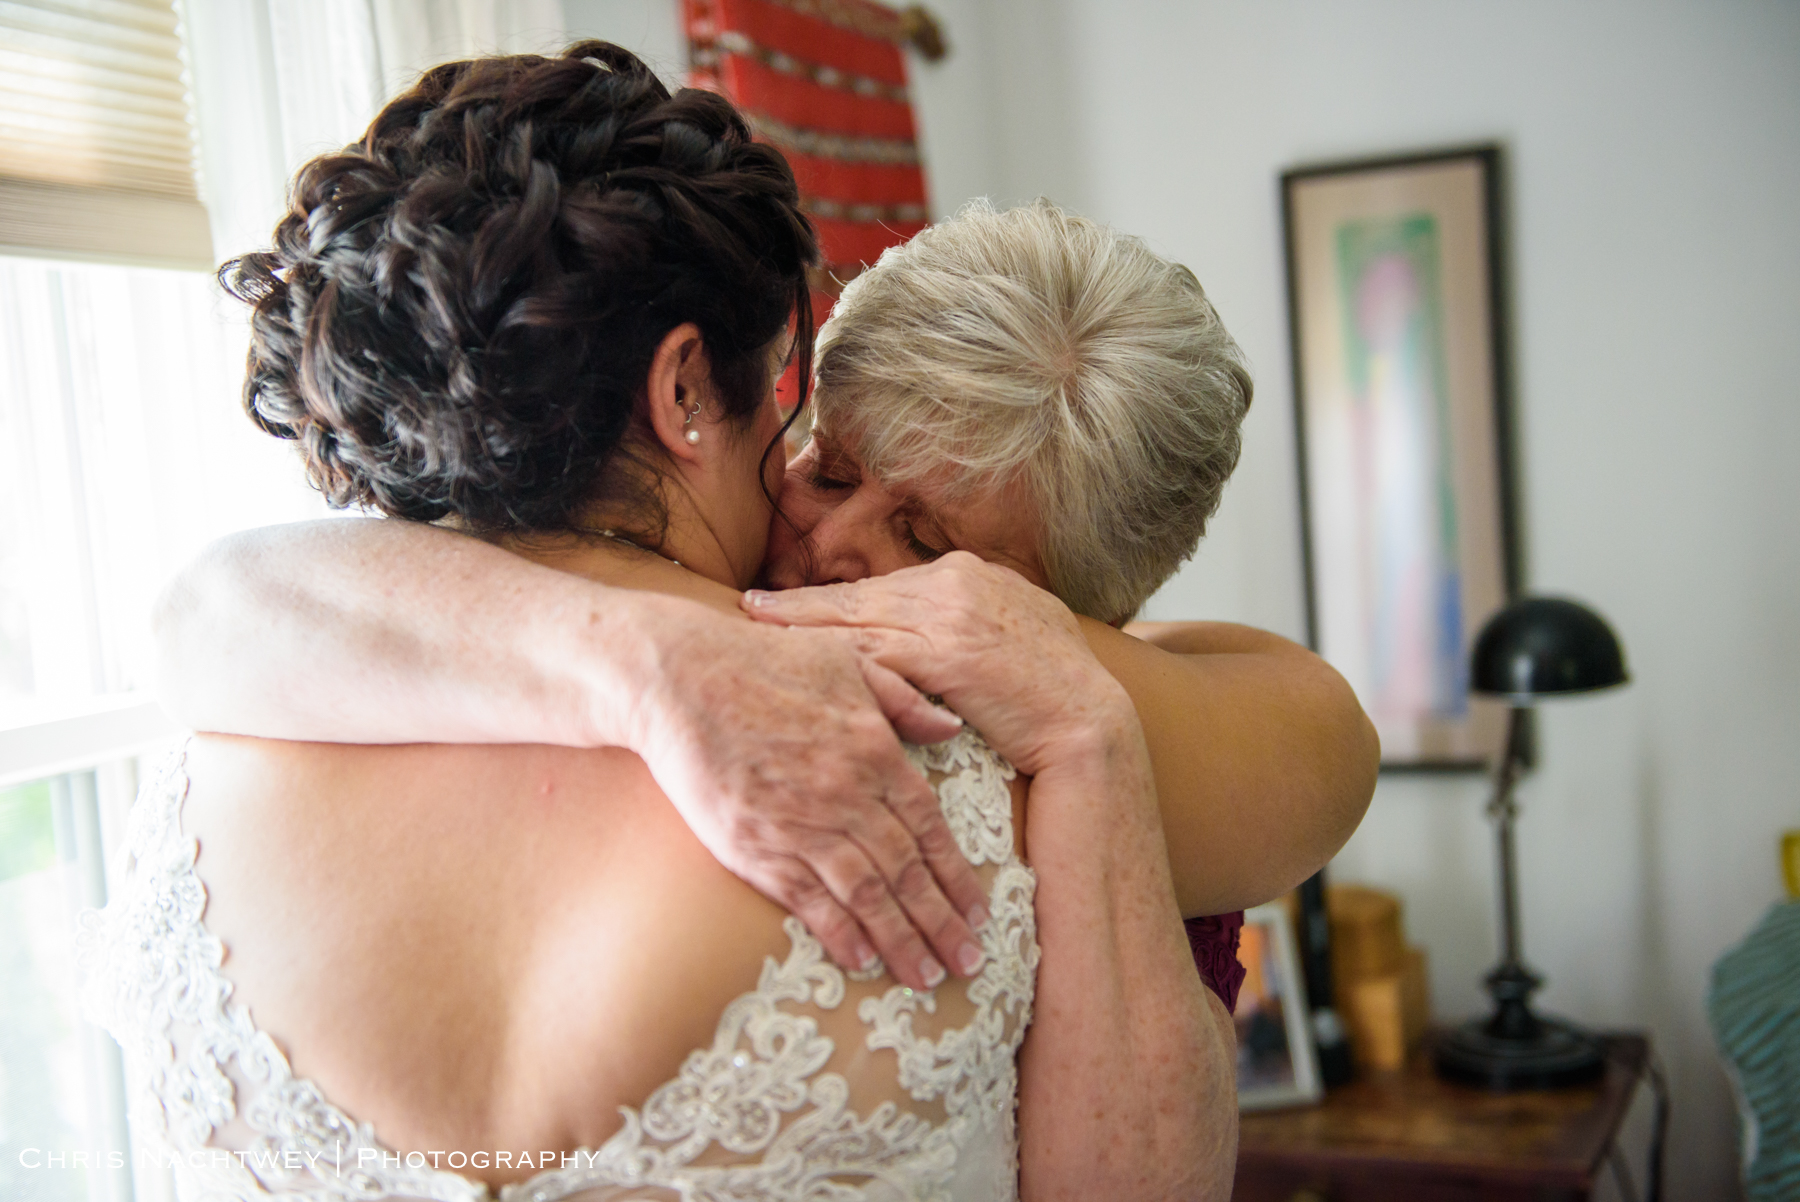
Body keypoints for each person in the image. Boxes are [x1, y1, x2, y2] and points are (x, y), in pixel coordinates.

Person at [81, 43, 1235, 1201]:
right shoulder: (959, 787)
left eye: (932, 550)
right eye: (814, 443)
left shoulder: (221, 746)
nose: (829, 545)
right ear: (686, 390)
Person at [154, 208, 1380, 993]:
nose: (834, 538)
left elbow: (1327, 738)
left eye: (930, 540)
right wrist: (644, 655)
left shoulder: (1104, 712)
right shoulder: (656, 592)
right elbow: (215, 604)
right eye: (832, 467)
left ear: (1087, 612)